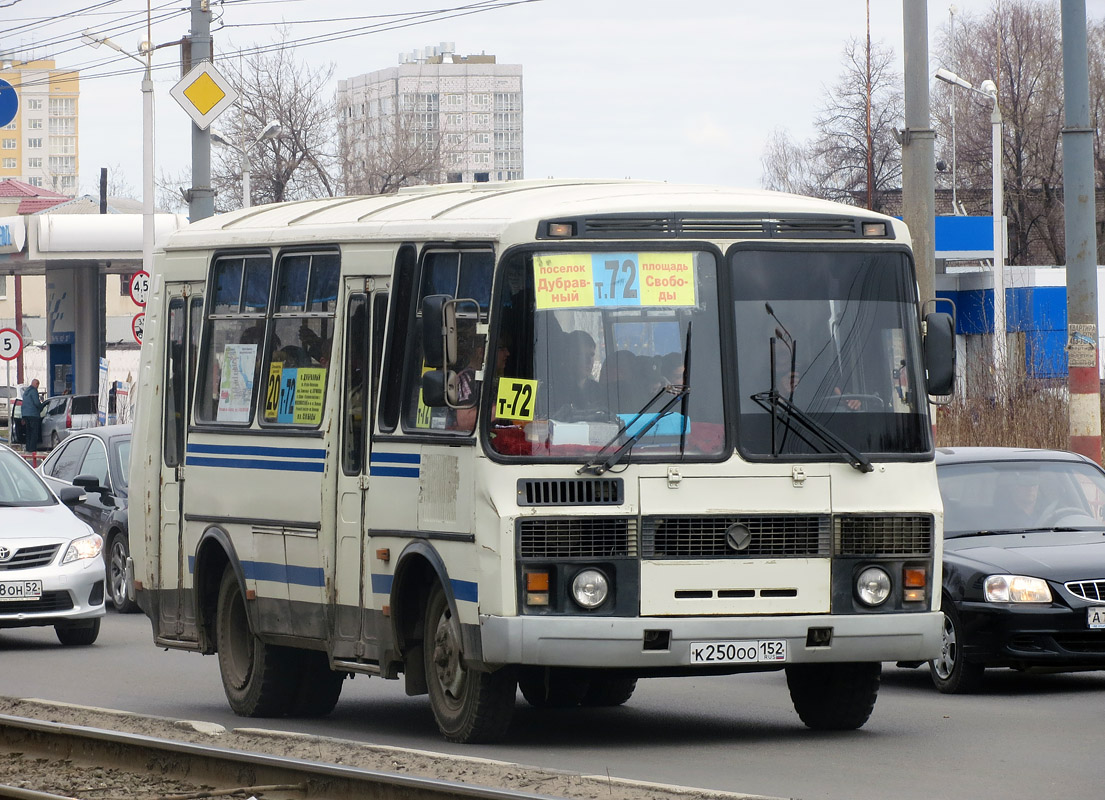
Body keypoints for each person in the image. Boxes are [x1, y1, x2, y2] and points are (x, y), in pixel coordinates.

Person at [22, 379, 44, 452]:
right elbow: (36, 403)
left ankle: (28, 448)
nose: (37, 387)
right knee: (34, 433)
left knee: (28, 433)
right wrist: (41, 407)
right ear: (36, 384)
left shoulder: (26, 392)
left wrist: (23, 416)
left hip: (25, 415)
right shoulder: (34, 391)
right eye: (38, 385)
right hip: (33, 415)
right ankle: (32, 449)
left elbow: (24, 404)